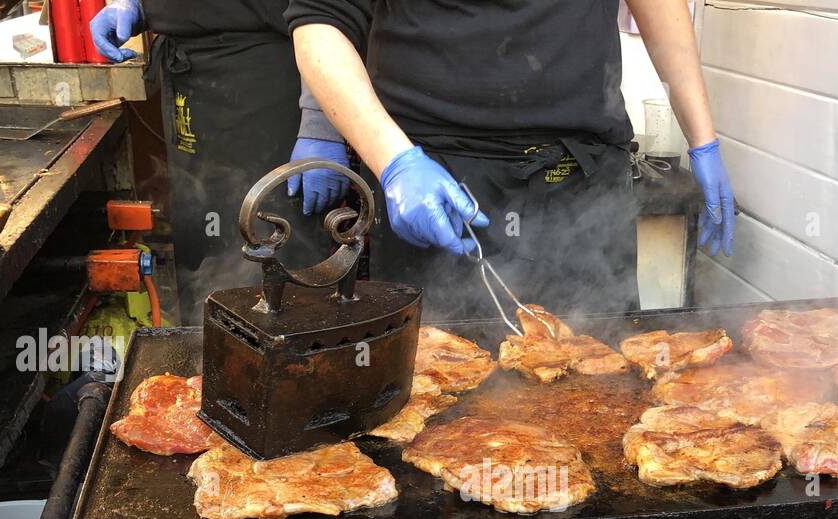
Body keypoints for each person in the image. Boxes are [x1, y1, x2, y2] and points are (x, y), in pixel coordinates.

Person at [284, 0, 735, 320]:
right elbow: (321, 24)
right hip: (440, 180)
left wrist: (703, 138)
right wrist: (393, 160)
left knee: (601, 380)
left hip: (585, 176)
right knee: (435, 394)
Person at [90, 0, 352, 322]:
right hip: (189, 79)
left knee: (275, 257)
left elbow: (329, 11)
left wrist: (321, 121)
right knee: (205, 247)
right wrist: (141, 6)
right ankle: (207, 357)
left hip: (266, 82)